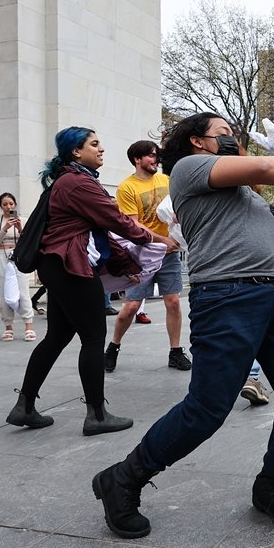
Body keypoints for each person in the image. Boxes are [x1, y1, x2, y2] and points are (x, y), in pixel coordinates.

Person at [92, 112, 274, 540]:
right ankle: (124, 477)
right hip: (227, 298)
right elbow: (263, 166)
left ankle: (272, 484)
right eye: (223, 134)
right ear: (197, 143)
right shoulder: (188, 169)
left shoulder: (243, 195)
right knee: (207, 408)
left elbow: (264, 240)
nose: (232, 139)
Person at [5, 127, 176, 434]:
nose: (101, 149)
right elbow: (115, 219)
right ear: (75, 151)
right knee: (94, 338)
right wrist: (156, 238)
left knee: (57, 337)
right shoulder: (77, 182)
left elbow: (97, 233)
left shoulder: (71, 180)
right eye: (94, 144)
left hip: (61, 265)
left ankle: (24, 407)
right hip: (70, 267)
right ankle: (96, 415)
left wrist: (126, 263)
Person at [106, 139, 192, 373]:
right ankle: (113, 347)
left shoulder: (166, 180)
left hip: (169, 254)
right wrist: (163, 240)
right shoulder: (127, 188)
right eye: (151, 155)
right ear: (138, 159)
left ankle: (175, 351)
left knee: (173, 302)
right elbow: (133, 227)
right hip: (141, 255)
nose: (156, 159)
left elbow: (180, 204)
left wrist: (178, 217)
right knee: (131, 306)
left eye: (156, 155)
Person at [0, 192, 38, 341]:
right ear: (0, 206)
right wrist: (5, 228)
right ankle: (8, 326)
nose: (8, 207)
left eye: (10, 204)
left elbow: (29, 239)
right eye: (4, 204)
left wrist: (20, 228)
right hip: (0, 257)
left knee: (23, 291)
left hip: (19, 257)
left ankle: (28, 326)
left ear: (15, 204)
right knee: (3, 294)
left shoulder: (23, 219)